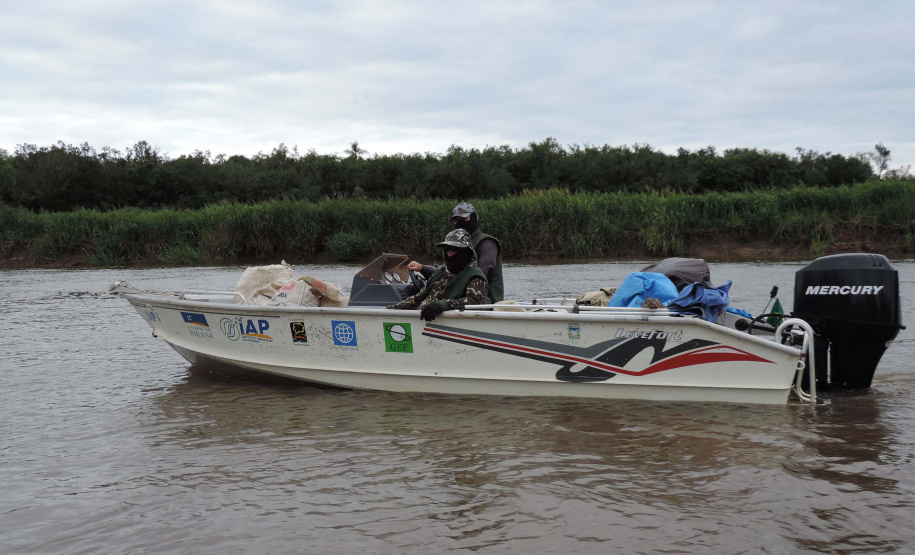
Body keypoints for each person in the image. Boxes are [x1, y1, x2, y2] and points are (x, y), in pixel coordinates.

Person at [407, 202, 504, 302]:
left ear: (474, 218)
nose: (458, 223)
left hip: (484, 304)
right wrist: (422, 268)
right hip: (456, 301)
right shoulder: (455, 244)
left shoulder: (486, 243)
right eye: (455, 220)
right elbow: (449, 275)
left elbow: (483, 275)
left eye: (463, 219)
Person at [388, 229, 488, 321]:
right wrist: (390, 310)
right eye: (447, 249)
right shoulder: (440, 274)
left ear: (467, 252)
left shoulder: (475, 277)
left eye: (454, 249)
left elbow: (475, 303)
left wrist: (442, 305)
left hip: (445, 327)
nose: (449, 254)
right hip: (419, 321)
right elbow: (418, 298)